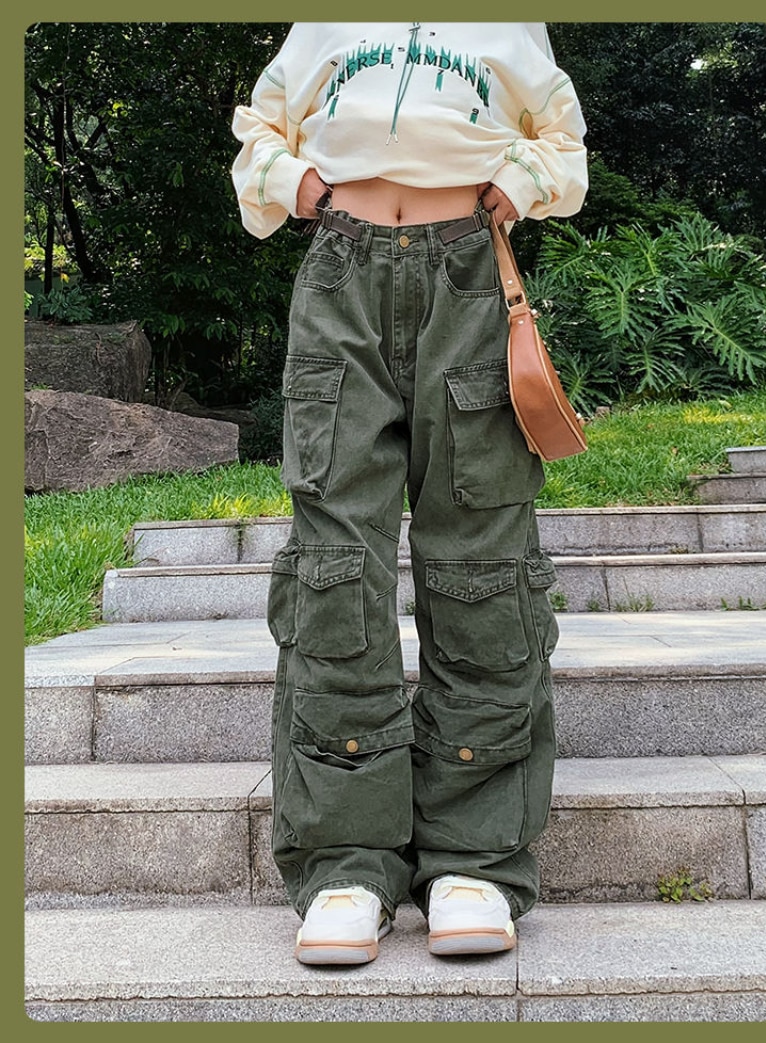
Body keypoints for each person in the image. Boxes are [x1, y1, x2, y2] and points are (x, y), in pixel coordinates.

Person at [231, 21, 587, 966]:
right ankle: (346, 864)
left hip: (468, 273)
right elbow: (260, 125)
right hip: (341, 271)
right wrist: (301, 187)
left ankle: (475, 858)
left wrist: (518, 185)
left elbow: (563, 135)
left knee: (481, 558)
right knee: (334, 565)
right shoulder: (324, 20)